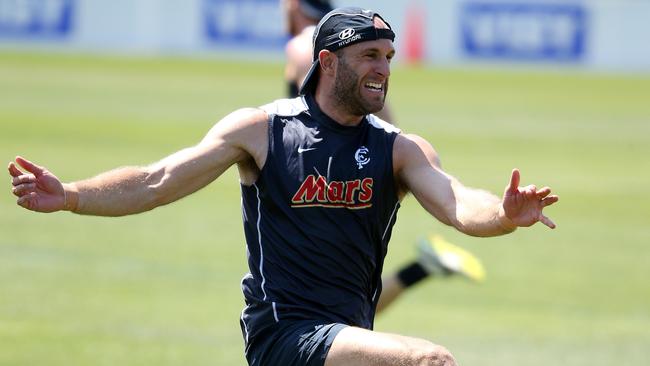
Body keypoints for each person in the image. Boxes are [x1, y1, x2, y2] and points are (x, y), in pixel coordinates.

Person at [9, 7, 558, 366]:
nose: (383, 68)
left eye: (388, 57)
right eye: (369, 55)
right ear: (327, 61)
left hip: (347, 337)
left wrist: (506, 215)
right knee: (428, 361)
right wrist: (73, 195)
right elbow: (156, 181)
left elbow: (459, 202)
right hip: (284, 336)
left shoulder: (399, 148)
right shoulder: (262, 130)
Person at [284, 0, 486, 312]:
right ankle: (421, 268)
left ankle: (421, 268)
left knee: (330, 298)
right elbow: (382, 124)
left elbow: (314, 117)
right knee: (346, 298)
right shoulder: (328, 43)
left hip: (317, 175)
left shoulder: (302, 44)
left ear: (295, 6)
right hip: (343, 169)